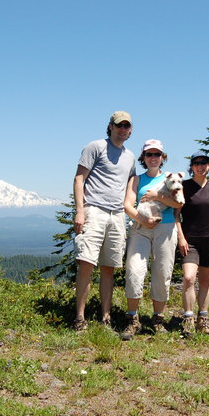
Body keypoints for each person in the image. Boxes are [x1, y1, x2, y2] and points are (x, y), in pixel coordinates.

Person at [72, 111, 136, 332]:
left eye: (126, 126)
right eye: (119, 125)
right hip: (94, 210)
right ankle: (80, 318)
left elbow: (130, 186)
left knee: (109, 268)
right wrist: (80, 211)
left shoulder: (130, 157)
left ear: (131, 130)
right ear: (110, 126)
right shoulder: (95, 147)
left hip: (117, 215)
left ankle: (105, 317)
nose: (123, 129)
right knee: (86, 264)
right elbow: (79, 178)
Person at [121, 139, 183, 340]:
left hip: (166, 228)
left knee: (162, 272)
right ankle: (132, 318)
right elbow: (128, 205)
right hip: (140, 228)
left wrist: (157, 196)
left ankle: (158, 319)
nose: (153, 158)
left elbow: (178, 204)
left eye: (157, 154)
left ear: (163, 157)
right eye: (149, 154)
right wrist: (143, 220)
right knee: (134, 270)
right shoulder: (136, 179)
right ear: (144, 157)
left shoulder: (171, 177)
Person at [175, 151, 209, 338]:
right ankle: (188, 318)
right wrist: (181, 237)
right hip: (190, 240)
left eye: (204, 163)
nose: (200, 166)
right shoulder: (184, 186)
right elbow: (176, 214)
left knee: (205, 281)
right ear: (192, 167)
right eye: (196, 163)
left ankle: (202, 319)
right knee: (189, 278)